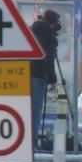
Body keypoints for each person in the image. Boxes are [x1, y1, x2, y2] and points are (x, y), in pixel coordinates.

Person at [31, 9, 60, 148]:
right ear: (53, 23)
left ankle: (24, 137)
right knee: (36, 108)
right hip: (38, 75)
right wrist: (52, 79)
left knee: (25, 107)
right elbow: (48, 59)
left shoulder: (32, 31)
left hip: (24, 73)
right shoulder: (49, 36)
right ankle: (33, 139)